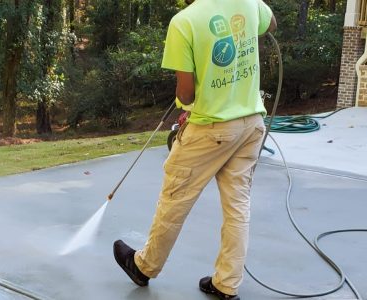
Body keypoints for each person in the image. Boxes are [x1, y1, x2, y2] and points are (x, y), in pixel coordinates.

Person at [113, 0, 277, 299]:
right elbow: (271, 24)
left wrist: (184, 101)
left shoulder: (184, 21)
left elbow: (186, 93)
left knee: (174, 199)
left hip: (211, 129)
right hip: (251, 124)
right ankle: (226, 284)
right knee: (237, 207)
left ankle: (144, 266)